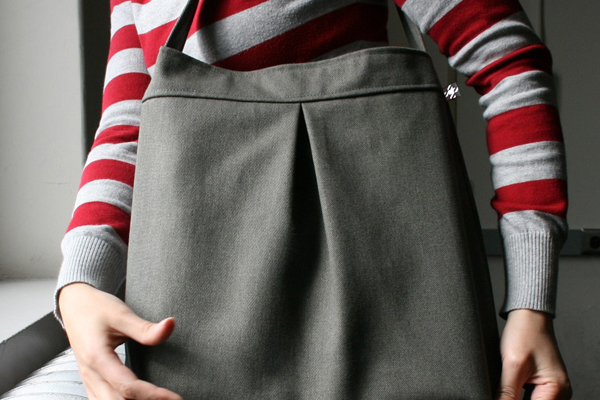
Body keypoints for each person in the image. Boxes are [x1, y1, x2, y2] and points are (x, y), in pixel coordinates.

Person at [56, 0, 572, 399]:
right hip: (192, 324)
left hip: (383, 301)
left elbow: (508, 61)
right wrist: (79, 283)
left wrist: (532, 303)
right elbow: (129, 124)